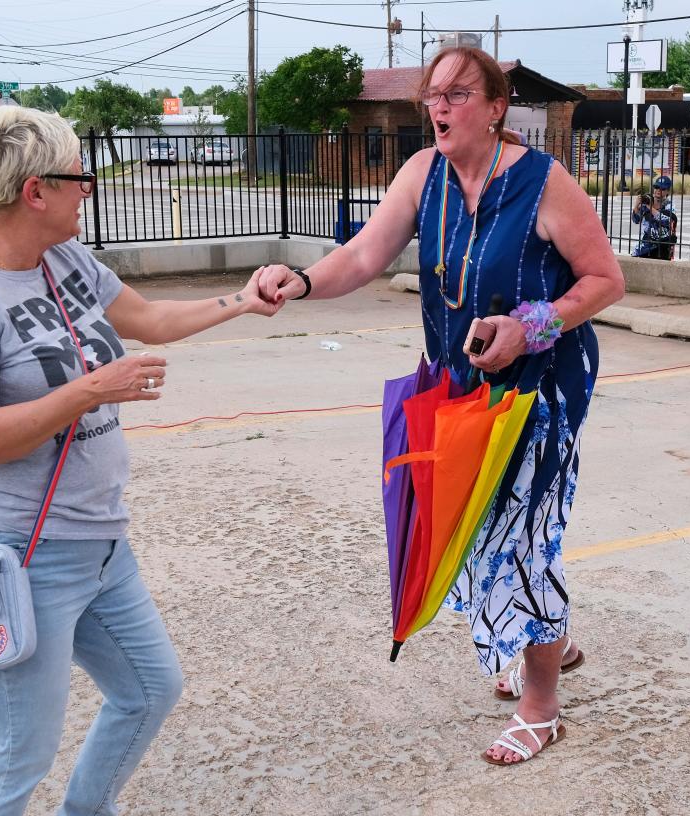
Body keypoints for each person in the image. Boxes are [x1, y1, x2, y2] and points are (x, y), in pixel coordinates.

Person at [0, 105, 282, 816]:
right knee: (19, 744)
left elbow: (146, 317)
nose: (89, 191)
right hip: (14, 551)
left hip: (99, 542)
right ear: (35, 190)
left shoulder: (64, 257)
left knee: (152, 686)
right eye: (79, 177)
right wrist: (89, 390)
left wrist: (241, 299)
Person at [256, 47, 624, 766]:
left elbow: (605, 280)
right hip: (456, 390)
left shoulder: (546, 184)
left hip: (538, 396)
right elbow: (363, 256)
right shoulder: (422, 174)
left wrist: (531, 325)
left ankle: (541, 705)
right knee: (470, 526)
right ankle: (552, 637)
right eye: (434, 95)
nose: (441, 107)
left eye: (458, 94)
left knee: (522, 542)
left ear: (496, 107)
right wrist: (299, 280)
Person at [631, 174, 677, 260]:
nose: (658, 191)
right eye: (656, 187)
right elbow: (636, 220)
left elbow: (667, 221)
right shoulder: (647, 200)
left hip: (662, 245)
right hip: (646, 245)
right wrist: (636, 206)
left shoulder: (669, 205)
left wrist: (650, 208)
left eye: (662, 189)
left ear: (667, 191)